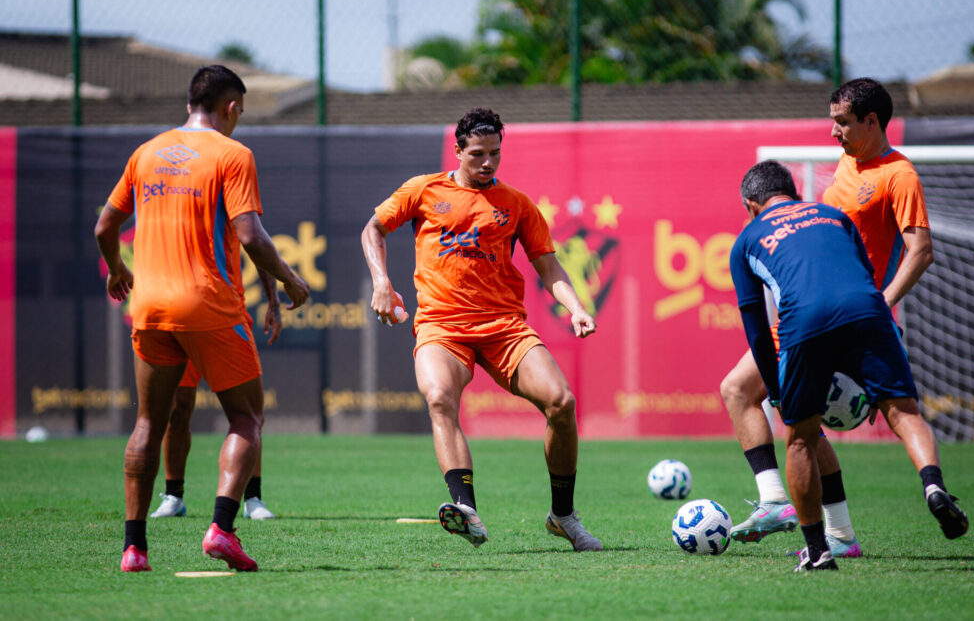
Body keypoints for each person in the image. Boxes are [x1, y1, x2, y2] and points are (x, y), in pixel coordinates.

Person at [95, 65, 310, 573]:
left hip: (149, 306)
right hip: (209, 306)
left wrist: (117, 270)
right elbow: (252, 236)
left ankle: (134, 549)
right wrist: (290, 280)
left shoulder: (146, 153)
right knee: (246, 418)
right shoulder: (232, 154)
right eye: (241, 111)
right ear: (231, 107)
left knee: (148, 423)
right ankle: (222, 529)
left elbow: (104, 227)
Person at [361, 107, 602, 551]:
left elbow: (548, 266)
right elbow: (373, 228)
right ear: (458, 150)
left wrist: (576, 308)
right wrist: (381, 282)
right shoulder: (424, 190)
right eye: (477, 154)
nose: (487, 162)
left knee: (562, 402)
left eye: (495, 153)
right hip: (442, 325)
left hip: (503, 327)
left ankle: (563, 515)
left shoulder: (517, 204)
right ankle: (465, 509)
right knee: (439, 398)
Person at [721, 78, 933, 558]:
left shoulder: (898, 174)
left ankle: (789, 508)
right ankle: (832, 532)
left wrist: (881, 305)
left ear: (871, 122)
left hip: (847, 313)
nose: (833, 131)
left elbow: (920, 250)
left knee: (774, 408)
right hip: (807, 308)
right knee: (759, 402)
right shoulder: (847, 161)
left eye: (841, 122)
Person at [730, 160, 968, 572]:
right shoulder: (834, 216)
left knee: (800, 439)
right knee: (905, 413)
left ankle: (817, 550)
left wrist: (779, 393)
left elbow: (757, 331)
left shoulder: (747, 240)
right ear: (793, 191)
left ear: (751, 205)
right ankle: (933, 485)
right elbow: (860, 281)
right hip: (870, 311)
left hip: (804, 320)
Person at [151, 267, 282, 521]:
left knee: (247, 412)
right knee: (177, 408)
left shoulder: (231, 232)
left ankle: (252, 498)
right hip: (178, 315)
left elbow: (257, 247)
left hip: (226, 315)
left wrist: (274, 301)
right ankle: (174, 496)